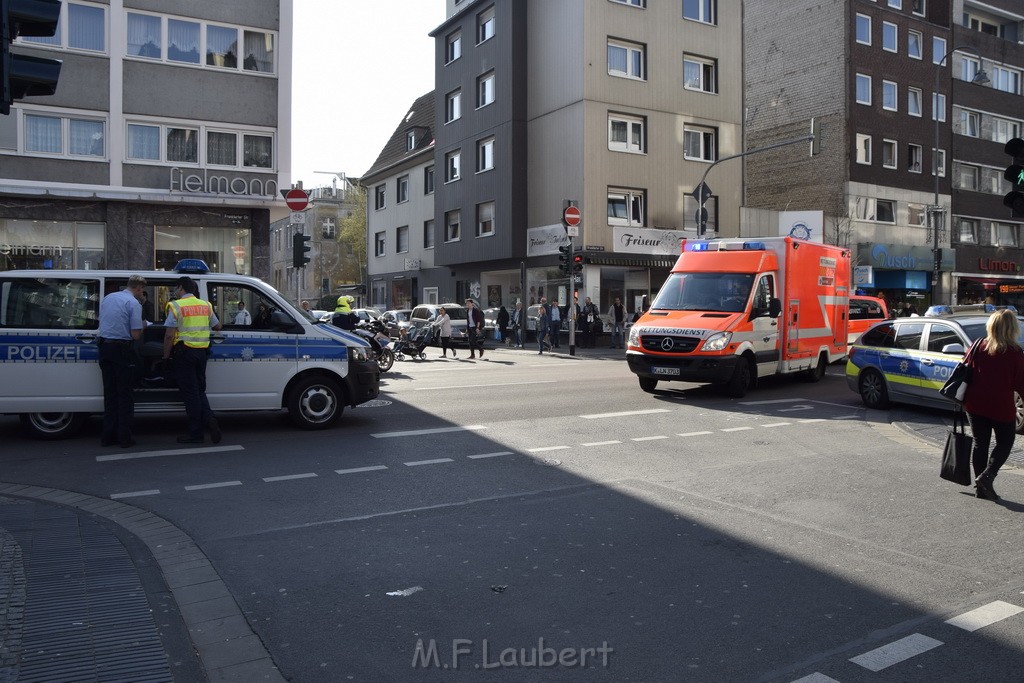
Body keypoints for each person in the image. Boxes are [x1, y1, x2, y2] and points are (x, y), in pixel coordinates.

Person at [963, 310, 1024, 500]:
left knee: (980, 444)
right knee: (1005, 443)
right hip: (1000, 406)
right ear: (1012, 328)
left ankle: (981, 488)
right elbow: (1021, 383)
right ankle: (987, 477)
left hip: (974, 403)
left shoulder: (977, 345)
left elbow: (966, 368)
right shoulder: (1014, 352)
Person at [162, 276, 222, 445]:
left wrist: (165, 358)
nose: (175, 291)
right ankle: (210, 419)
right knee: (199, 390)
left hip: (184, 353)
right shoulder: (206, 305)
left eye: (176, 288)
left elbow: (169, 335)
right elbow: (218, 327)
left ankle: (196, 433)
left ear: (181, 288)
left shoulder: (175, 306)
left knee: (190, 393)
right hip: (201, 353)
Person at [97, 274, 147, 448]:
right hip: (121, 350)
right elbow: (135, 334)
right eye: (143, 290)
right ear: (139, 288)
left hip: (104, 348)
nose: (143, 293)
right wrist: (144, 325)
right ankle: (124, 438)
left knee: (110, 394)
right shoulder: (133, 303)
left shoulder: (109, 298)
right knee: (124, 395)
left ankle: (107, 437)